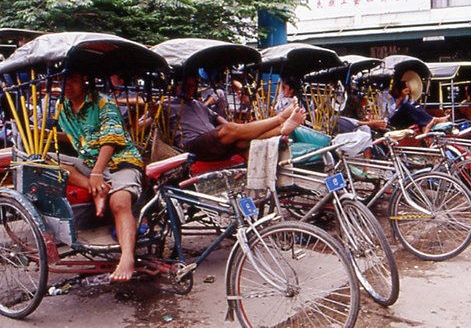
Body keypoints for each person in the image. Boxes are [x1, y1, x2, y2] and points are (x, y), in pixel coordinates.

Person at [57, 71, 143, 282]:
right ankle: (96, 190)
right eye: (64, 81)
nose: (68, 86)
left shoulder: (103, 103)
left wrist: (97, 173)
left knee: (120, 202)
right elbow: (73, 139)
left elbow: (111, 140)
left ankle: (127, 258)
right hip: (89, 163)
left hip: (120, 161)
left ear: (84, 80)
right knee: (42, 160)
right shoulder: (64, 110)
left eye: (74, 80)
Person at [170, 75, 305, 161]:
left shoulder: (199, 105)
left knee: (242, 141)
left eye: (192, 85)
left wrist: (241, 130)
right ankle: (280, 119)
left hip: (215, 145)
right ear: (177, 86)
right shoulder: (166, 105)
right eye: (185, 85)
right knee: (230, 129)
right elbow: (150, 123)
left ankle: (281, 129)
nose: (189, 89)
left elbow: (225, 123)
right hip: (193, 146)